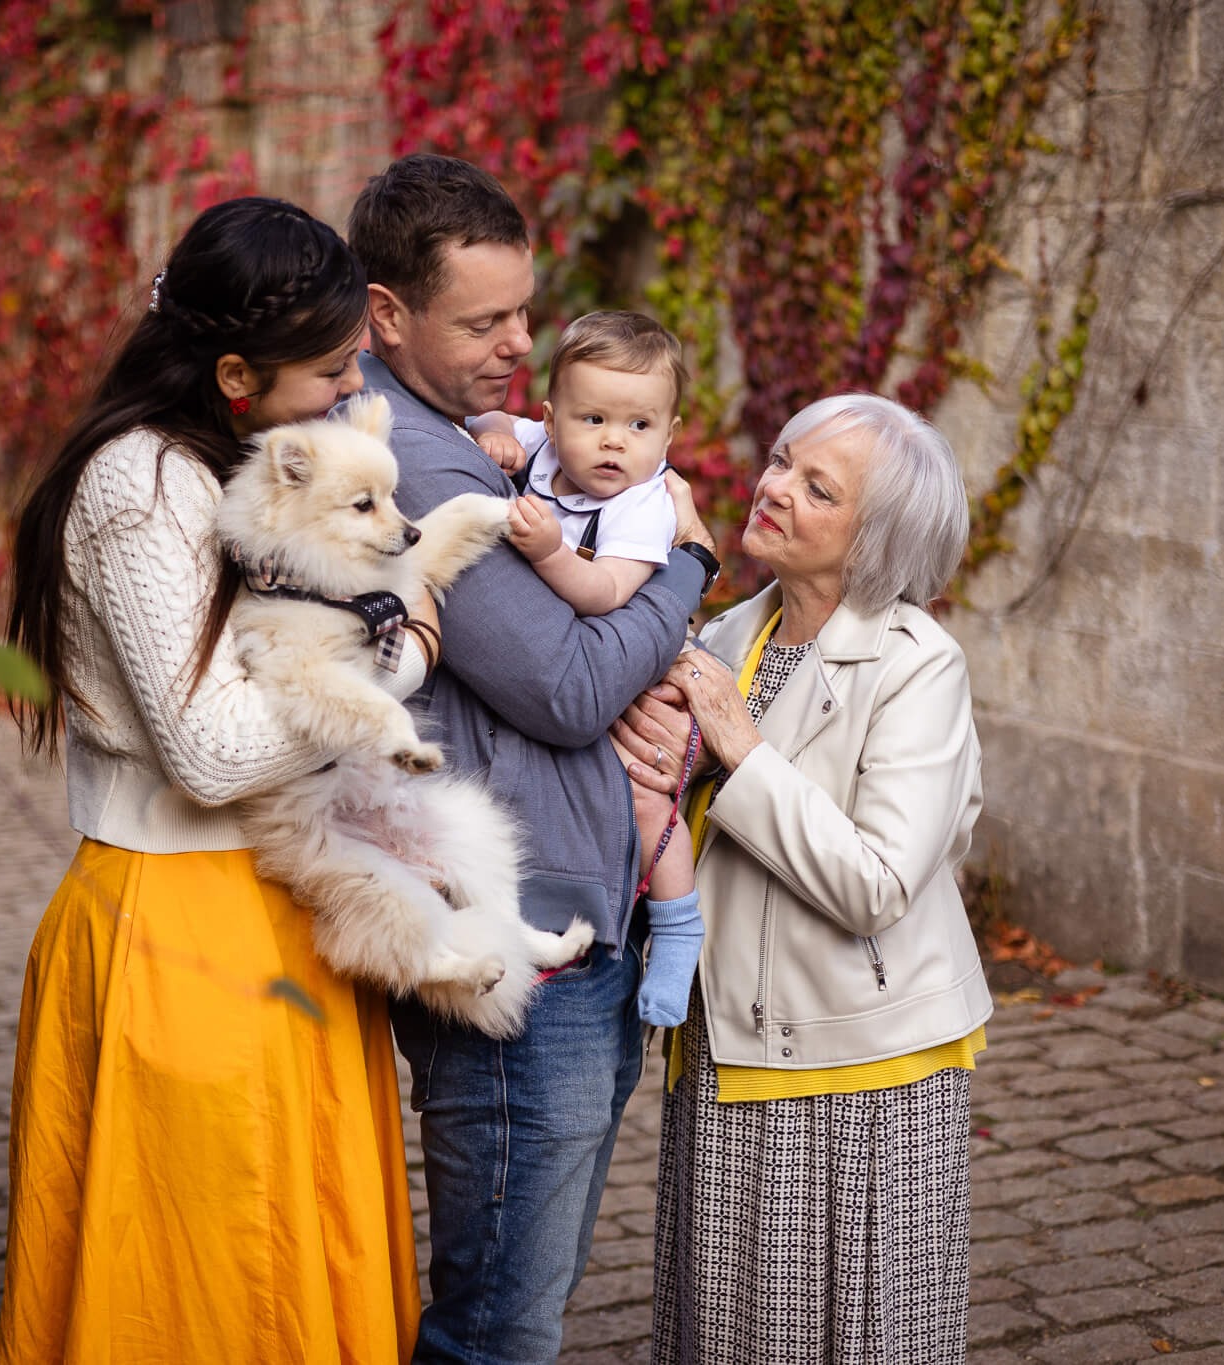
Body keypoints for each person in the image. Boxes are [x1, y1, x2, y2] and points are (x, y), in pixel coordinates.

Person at [0, 197, 429, 1365]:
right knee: (201, 1289)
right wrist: (405, 653)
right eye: (332, 372)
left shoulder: (217, 462)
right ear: (236, 371)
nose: (350, 393)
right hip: (182, 928)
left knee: (285, 1268)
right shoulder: (143, 486)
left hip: (271, 913)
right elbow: (210, 752)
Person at [345, 153, 719, 1364]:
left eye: (523, 309)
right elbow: (566, 687)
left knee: (519, 1297)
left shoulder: (475, 435)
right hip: (517, 951)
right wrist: (689, 569)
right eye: (484, 320)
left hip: (569, 918)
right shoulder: (415, 460)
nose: (520, 342)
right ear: (386, 314)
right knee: (499, 1329)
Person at [611, 391, 992, 1363]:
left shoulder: (918, 668)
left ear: (873, 538)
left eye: (814, 486)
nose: (771, 486)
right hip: (726, 1038)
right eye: (779, 459)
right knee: (734, 1328)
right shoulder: (729, 638)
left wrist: (736, 751)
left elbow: (874, 884)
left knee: (860, 1335)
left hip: (858, 1063)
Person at [467, 310, 704, 1027]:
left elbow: (605, 593)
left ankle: (677, 929)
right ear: (551, 414)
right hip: (581, 668)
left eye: (639, 426)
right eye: (592, 417)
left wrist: (548, 554)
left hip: (643, 669)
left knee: (643, 799)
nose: (612, 441)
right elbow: (477, 415)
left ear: (667, 433)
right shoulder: (540, 447)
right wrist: (494, 436)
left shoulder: (643, 504)